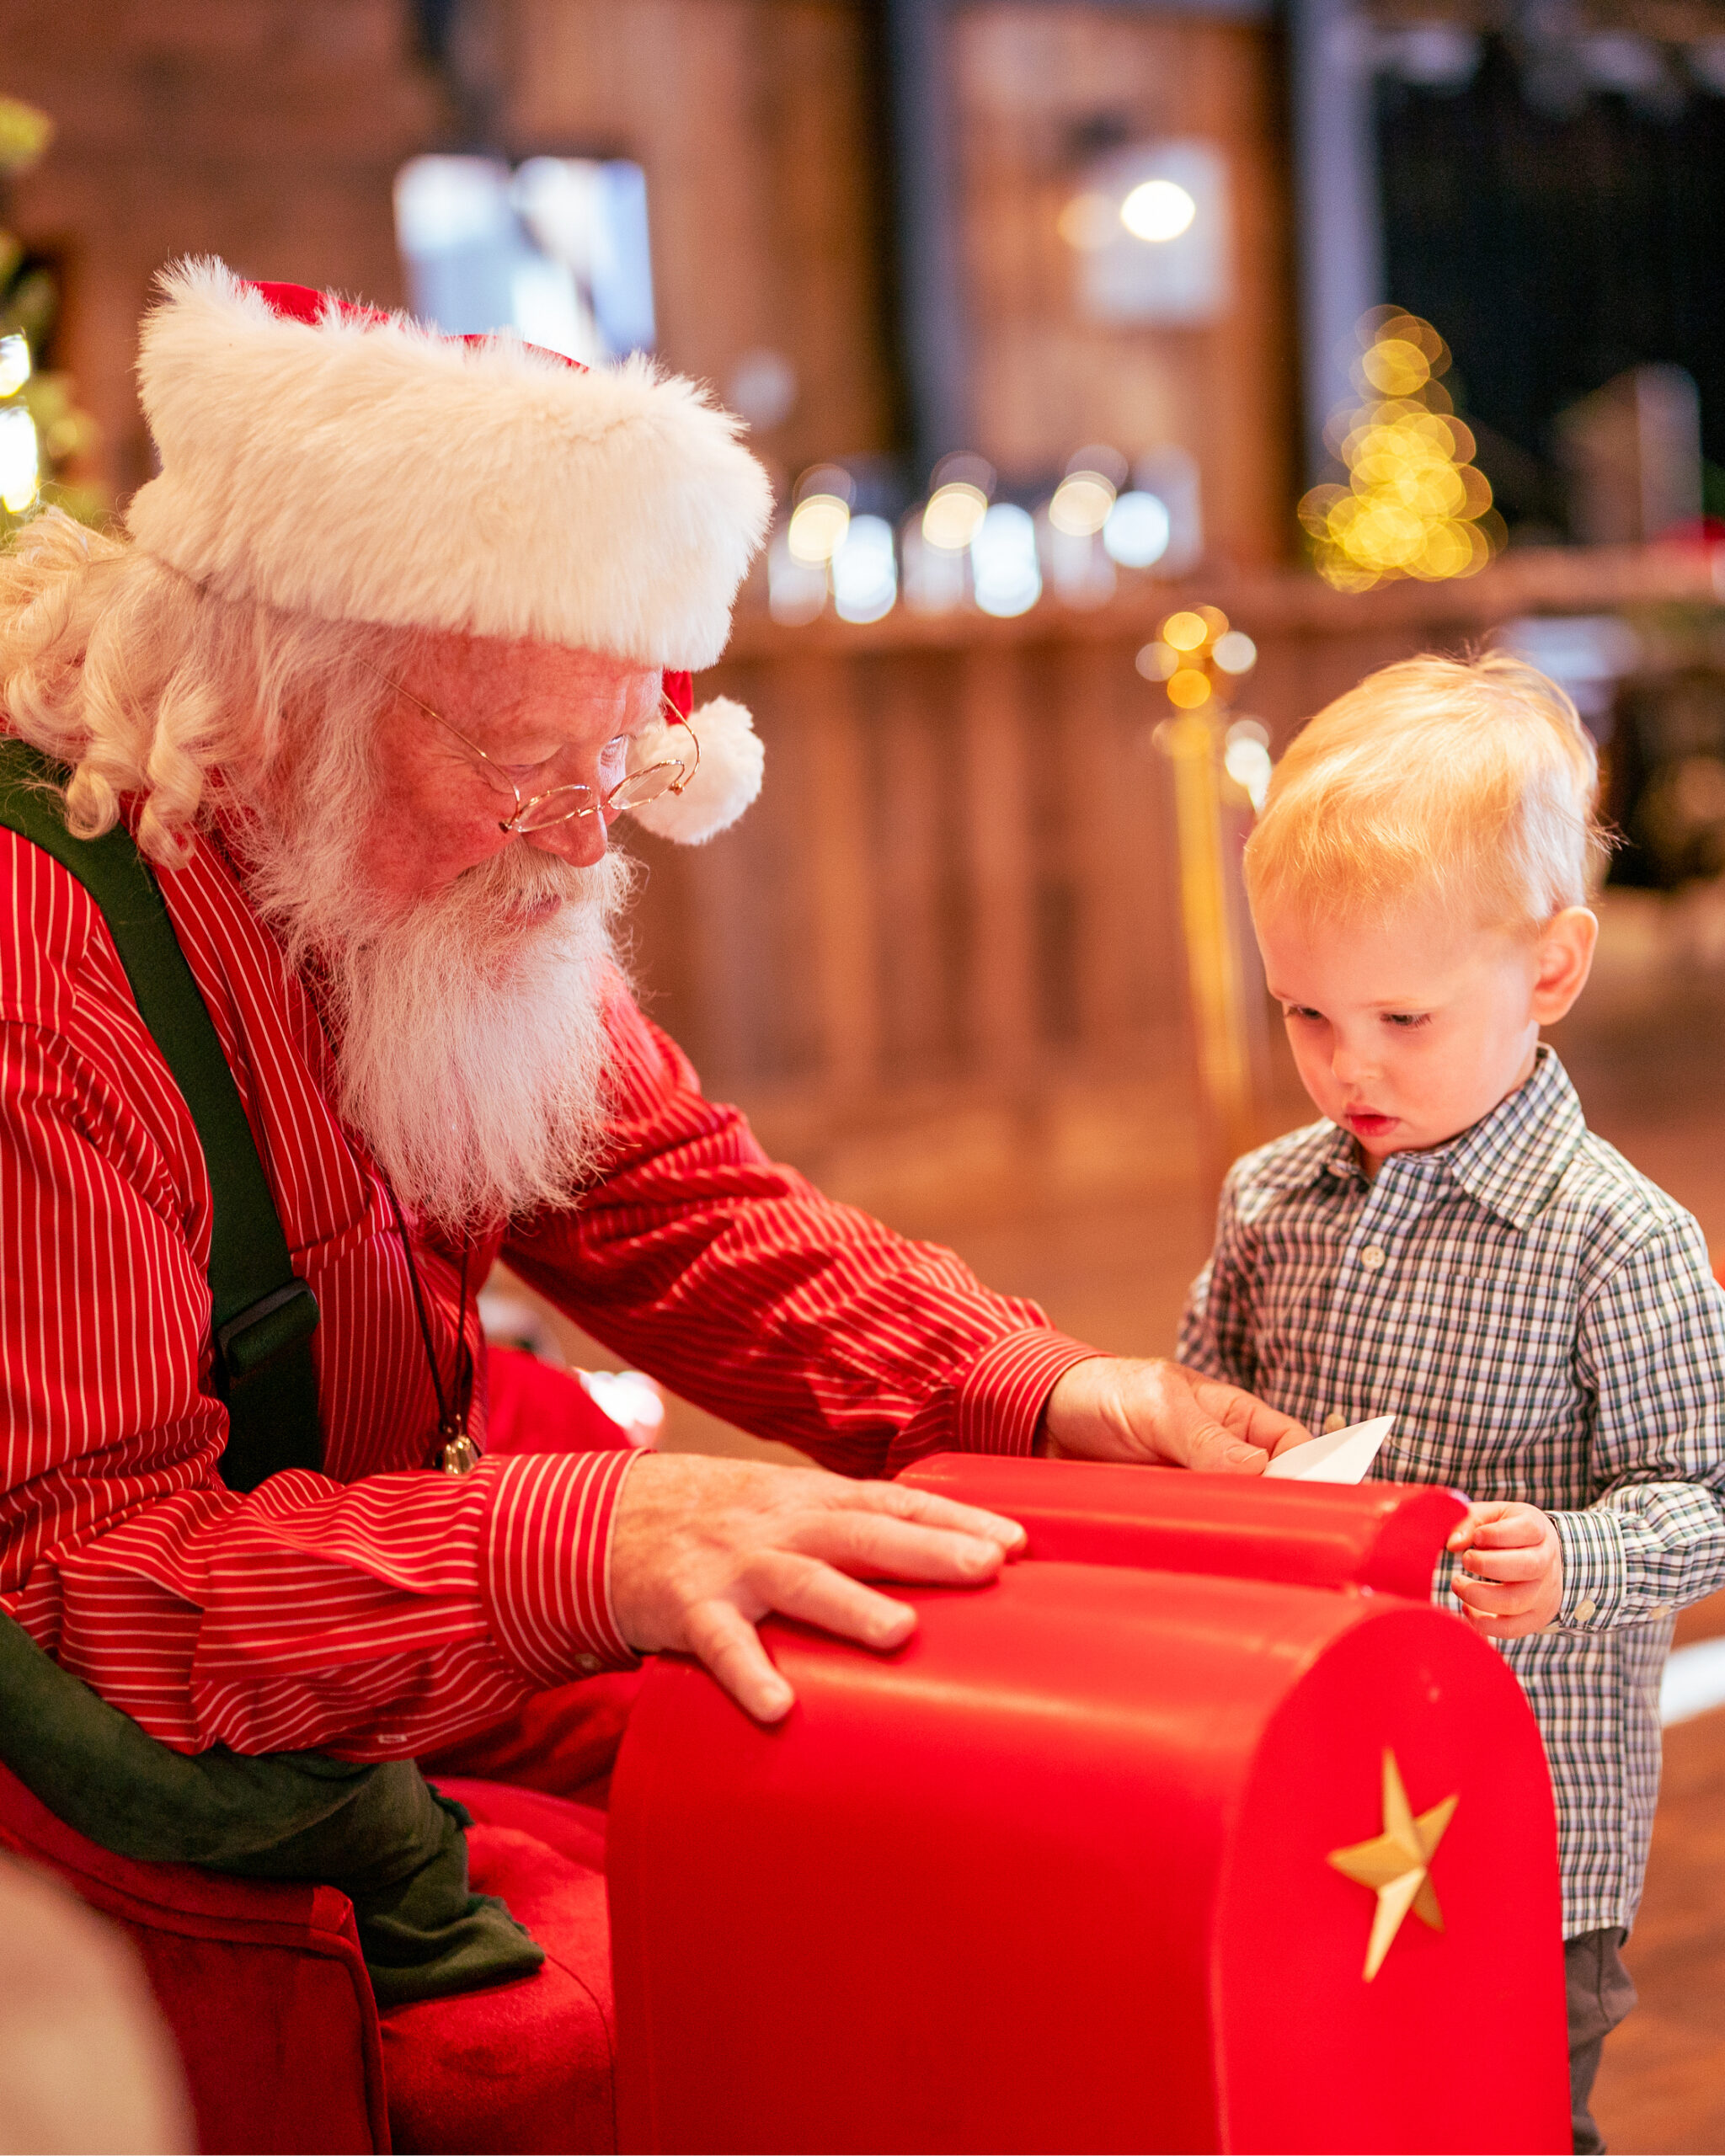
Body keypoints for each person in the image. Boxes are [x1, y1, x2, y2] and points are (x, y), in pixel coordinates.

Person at [0, 265, 1306, 1790]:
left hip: (407, 1606)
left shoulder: (428, 861)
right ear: (282, 703)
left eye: (619, 763)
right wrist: (592, 1540)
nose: (577, 843)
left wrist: (1044, 1390)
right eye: (526, 767)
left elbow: (667, 1194)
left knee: (958, 1767)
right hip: (175, 1776)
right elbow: (78, 1591)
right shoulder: (47, 983)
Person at [1178, 652, 1725, 2153]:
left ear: (1549, 969)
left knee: (1506, 2109)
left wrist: (1572, 1561)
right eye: (1304, 1014)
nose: (1345, 1066)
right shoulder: (1268, 1199)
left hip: (1520, 1831)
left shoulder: (1621, 1240)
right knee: (1320, 2097)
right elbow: (1198, 1413)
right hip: (1299, 1773)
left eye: (1401, 1022)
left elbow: (1710, 1501)